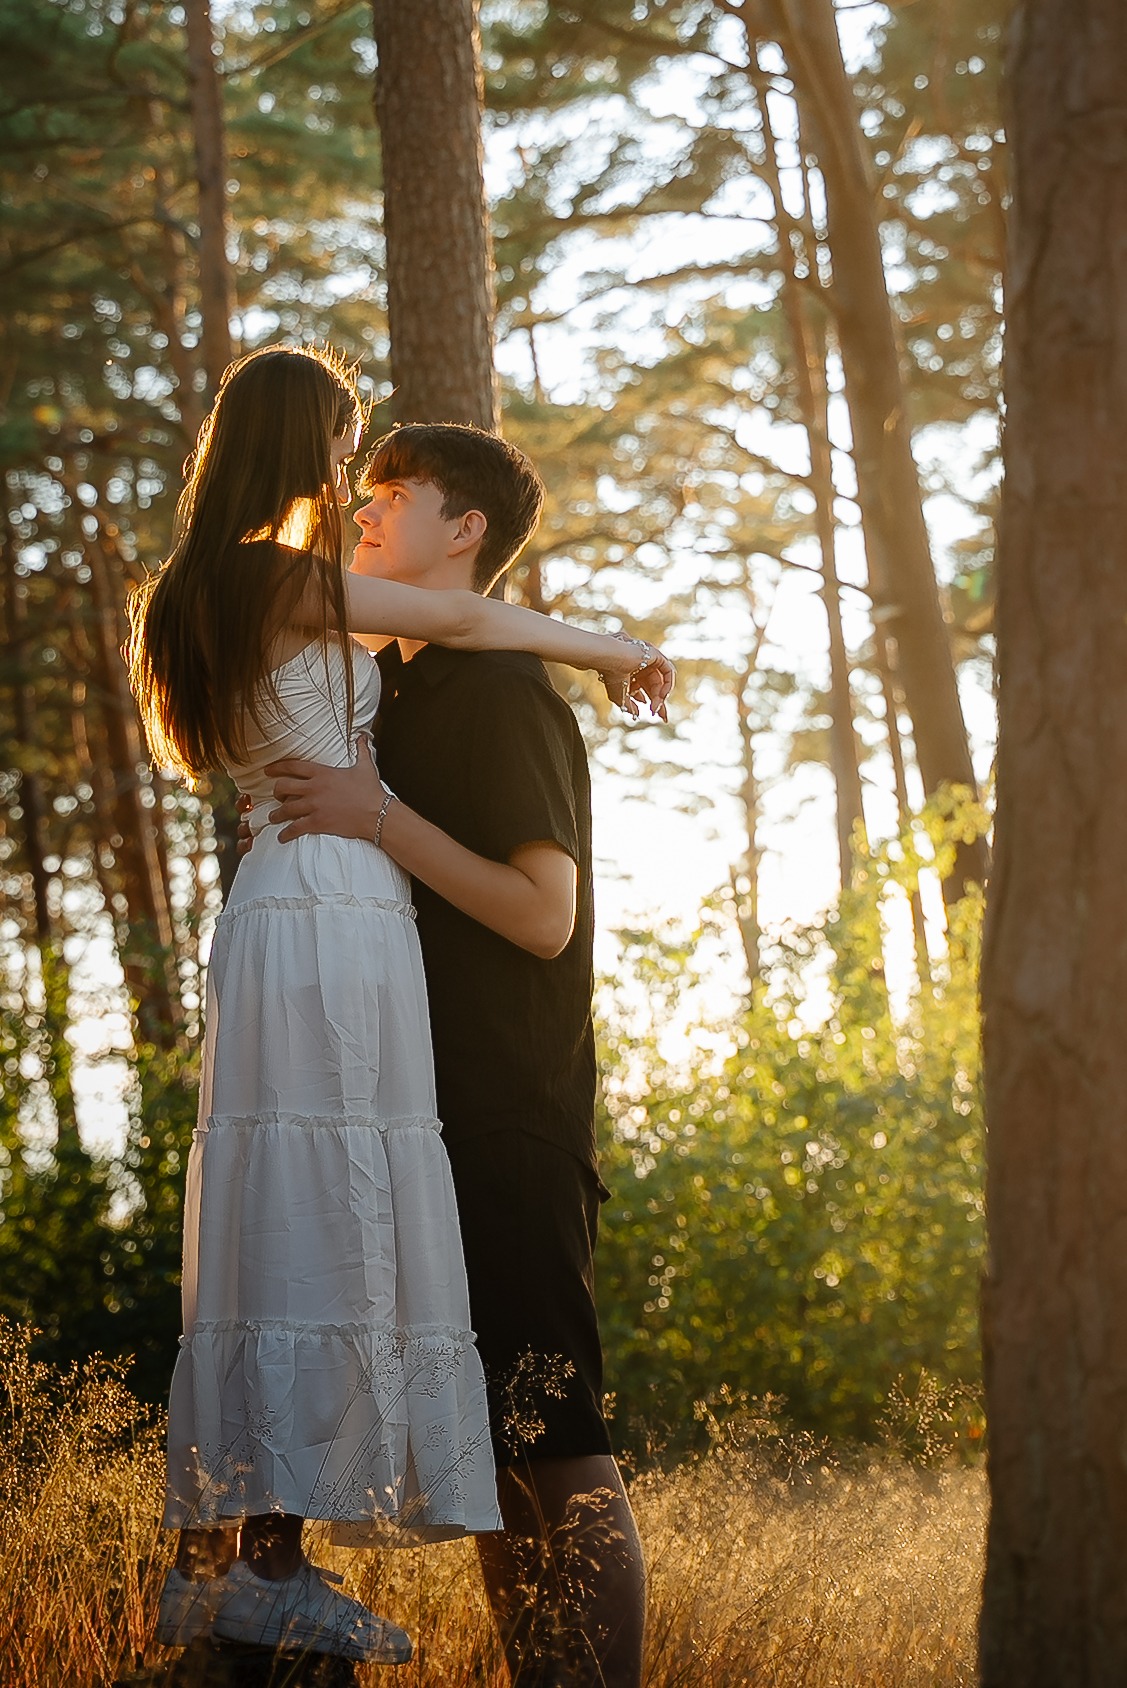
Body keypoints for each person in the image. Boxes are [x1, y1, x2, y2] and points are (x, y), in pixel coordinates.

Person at [125, 347, 672, 1665]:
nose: (351, 483)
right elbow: (476, 621)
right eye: (342, 449)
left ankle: (253, 1553)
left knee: (292, 1205)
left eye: (380, 472)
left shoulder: (241, 588)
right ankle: (253, 1558)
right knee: (310, 1194)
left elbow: (463, 635)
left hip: (288, 904)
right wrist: (612, 642)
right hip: (323, 911)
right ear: (297, 445)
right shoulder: (274, 577)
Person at [260, 420, 664, 1688]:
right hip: (428, 1116)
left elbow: (543, 917)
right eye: (362, 491)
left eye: (393, 493)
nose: (364, 509)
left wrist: (377, 816)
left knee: (551, 1433)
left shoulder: (496, 693)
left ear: (467, 527)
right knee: (495, 1450)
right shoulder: (404, 685)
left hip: (510, 1114)